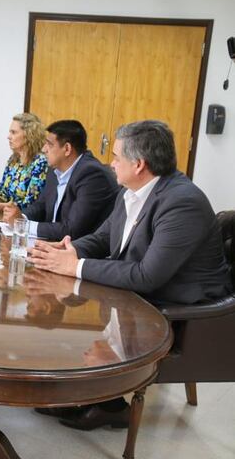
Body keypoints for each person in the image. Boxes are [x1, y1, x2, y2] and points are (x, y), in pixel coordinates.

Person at [29, 120, 232, 430]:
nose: (110, 163)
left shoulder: (182, 202)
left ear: (139, 164)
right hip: (150, 290)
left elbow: (147, 276)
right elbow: (102, 236)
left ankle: (105, 402)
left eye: (116, 156)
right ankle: (95, 397)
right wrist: (71, 251)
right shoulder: (133, 191)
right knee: (66, 298)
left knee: (76, 294)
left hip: (184, 306)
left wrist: (75, 266)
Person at [3, 120, 118, 240]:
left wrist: (24, 225)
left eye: (49, 144)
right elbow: (41, 206)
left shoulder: (91, 175)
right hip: (51, 243)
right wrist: (20, 217)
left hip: (77, 250)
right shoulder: (55, 169)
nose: (43, 149)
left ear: (67, 149)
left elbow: (72, 230)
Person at [0, 113, 48, 210]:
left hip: (24, 221)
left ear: (29, 135)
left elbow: (29, 205)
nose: (8, 137)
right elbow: (3, 194)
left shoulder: (41, 163)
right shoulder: (13, 159)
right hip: (6, 219)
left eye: (13, 132)